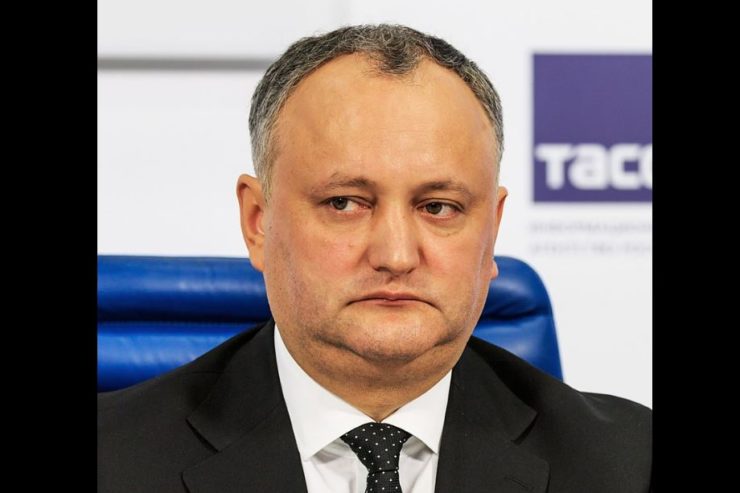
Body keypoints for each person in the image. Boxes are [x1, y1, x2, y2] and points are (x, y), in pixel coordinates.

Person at [98, 24, 651, 492]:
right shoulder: (112, 458)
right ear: (258, 221)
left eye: (438, 207)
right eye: (345, 203)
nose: (396, 255)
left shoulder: (630, 464)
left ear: (492, 231)